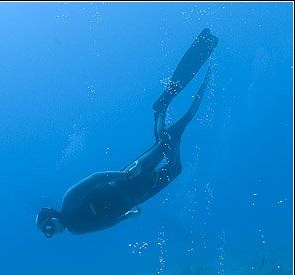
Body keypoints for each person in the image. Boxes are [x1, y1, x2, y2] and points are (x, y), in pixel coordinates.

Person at [37, 28, 218, 238]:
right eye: (48, 233)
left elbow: (95, 179)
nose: (51, 231)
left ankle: (162, 110)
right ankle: (166, 113)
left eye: (48, 226)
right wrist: (126, 216)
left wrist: (125, 175)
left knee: (166, 144)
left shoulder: (70, 200)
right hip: (137, 197)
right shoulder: (77, 229)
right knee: (176, 168)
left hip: (128, 181)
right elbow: (105, 224)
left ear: (51, 215)